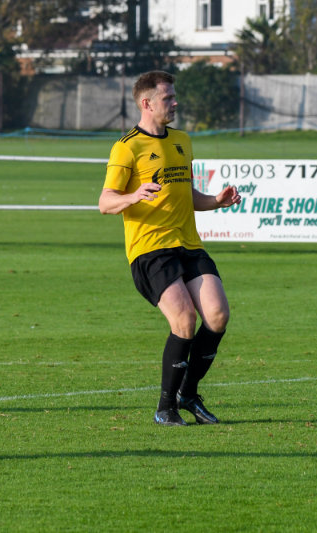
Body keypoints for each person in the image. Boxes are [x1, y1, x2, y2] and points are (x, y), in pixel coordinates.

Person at [98, 71, 241, 427]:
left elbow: (186, 195)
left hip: (188, 244)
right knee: (184, 319)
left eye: (175, 96)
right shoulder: (127, 146)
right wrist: (133, 195)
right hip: (150, 250)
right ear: (147, 103)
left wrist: (216, 201)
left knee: (218, 315)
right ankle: (165, 408)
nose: (175, 103)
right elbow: (105, 202)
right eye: (168, 98)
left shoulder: (182, 141)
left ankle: (188, 394)